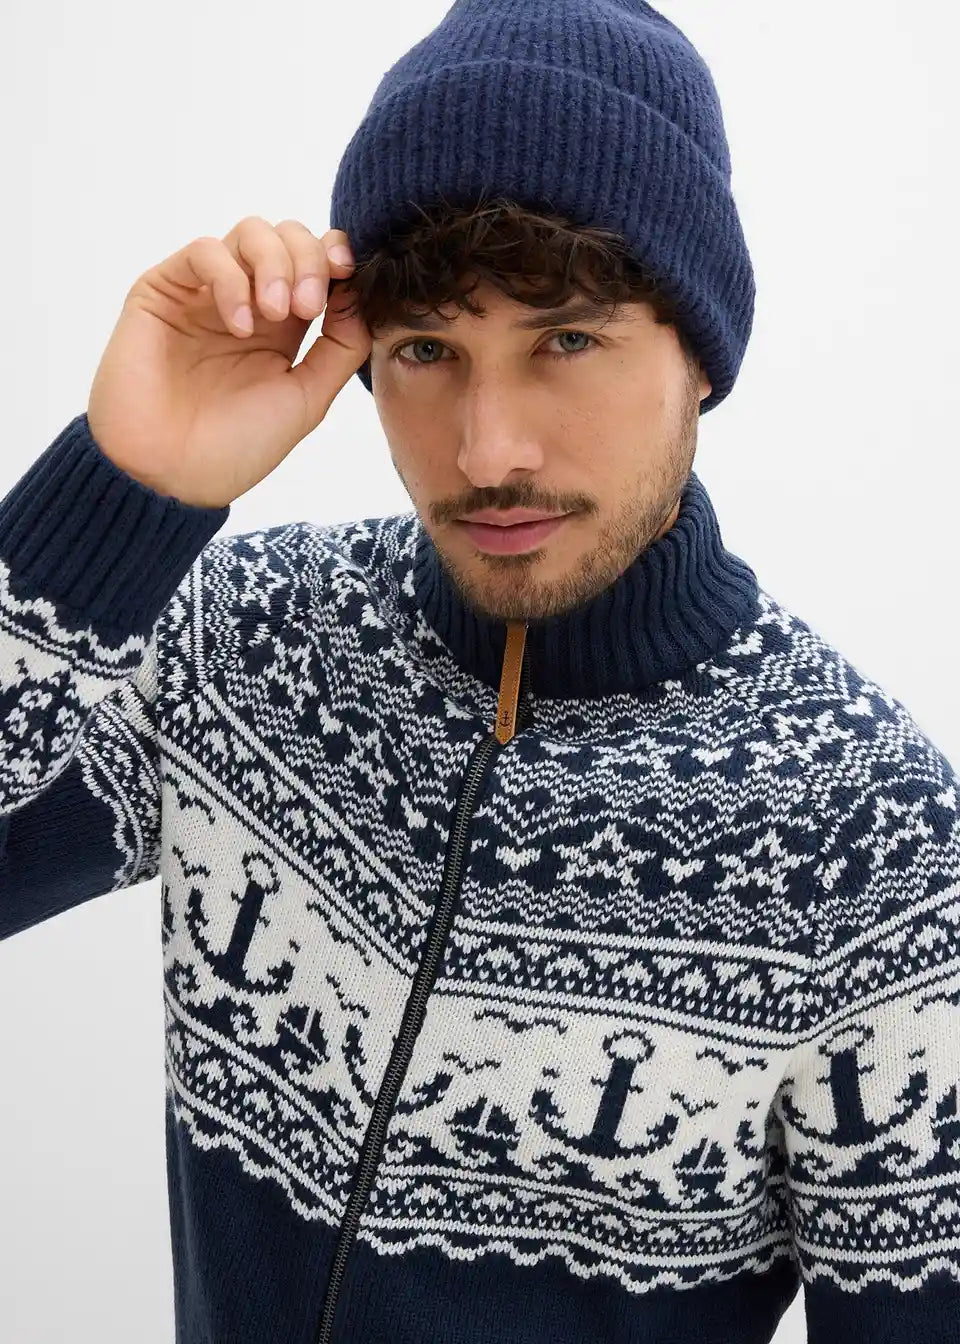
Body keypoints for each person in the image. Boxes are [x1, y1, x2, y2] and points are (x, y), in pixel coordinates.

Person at [1, 2, 958, 1342]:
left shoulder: (871, 843)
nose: (487, 448)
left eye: (567, 340)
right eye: (426, 352)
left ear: (700, 356)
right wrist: (124, 491)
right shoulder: (244, 643)